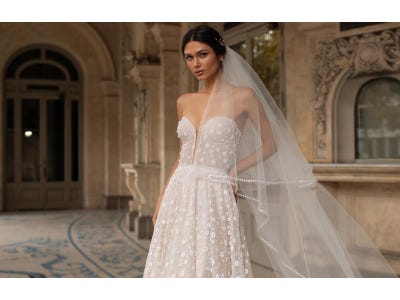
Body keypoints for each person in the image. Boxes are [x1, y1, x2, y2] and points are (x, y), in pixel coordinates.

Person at [143, 25, 397, 278]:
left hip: (215, 193)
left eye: (202, 54)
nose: (195, 63)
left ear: (220, 55)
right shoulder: (183, 101)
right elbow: (182, 156)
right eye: (189, 57)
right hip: (179, 192)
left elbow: (270, 144)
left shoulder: (243, 96)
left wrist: (233, 171)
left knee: (210, 263)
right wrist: (161, 196)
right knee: (174, 264)